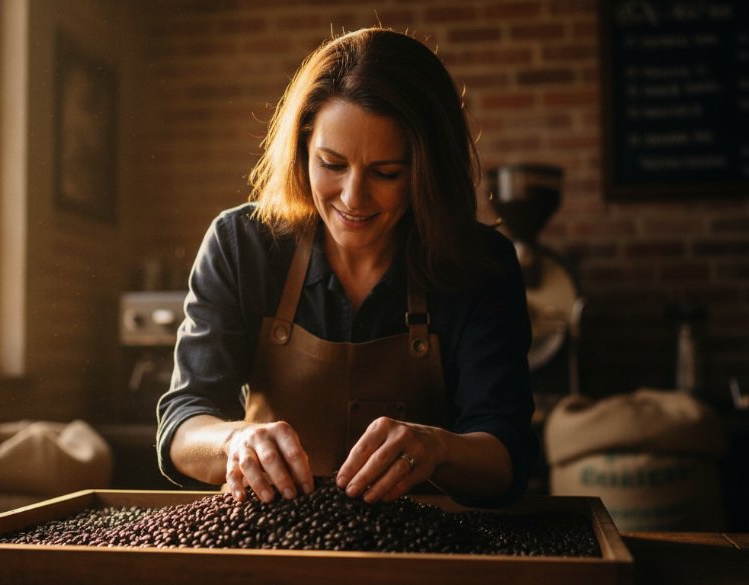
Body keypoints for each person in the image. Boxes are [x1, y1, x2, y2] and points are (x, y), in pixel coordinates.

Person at [156, 27, 537, 508]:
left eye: (386, 173)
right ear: (302, 151)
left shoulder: (479, 265)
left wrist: (440, 448)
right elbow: (184, 422)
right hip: (273, 538)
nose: (353, 198)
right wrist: (233, 442)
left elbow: (507, 458)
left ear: (427, 171)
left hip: (427, 548)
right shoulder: (242, 245)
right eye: (331, 164)